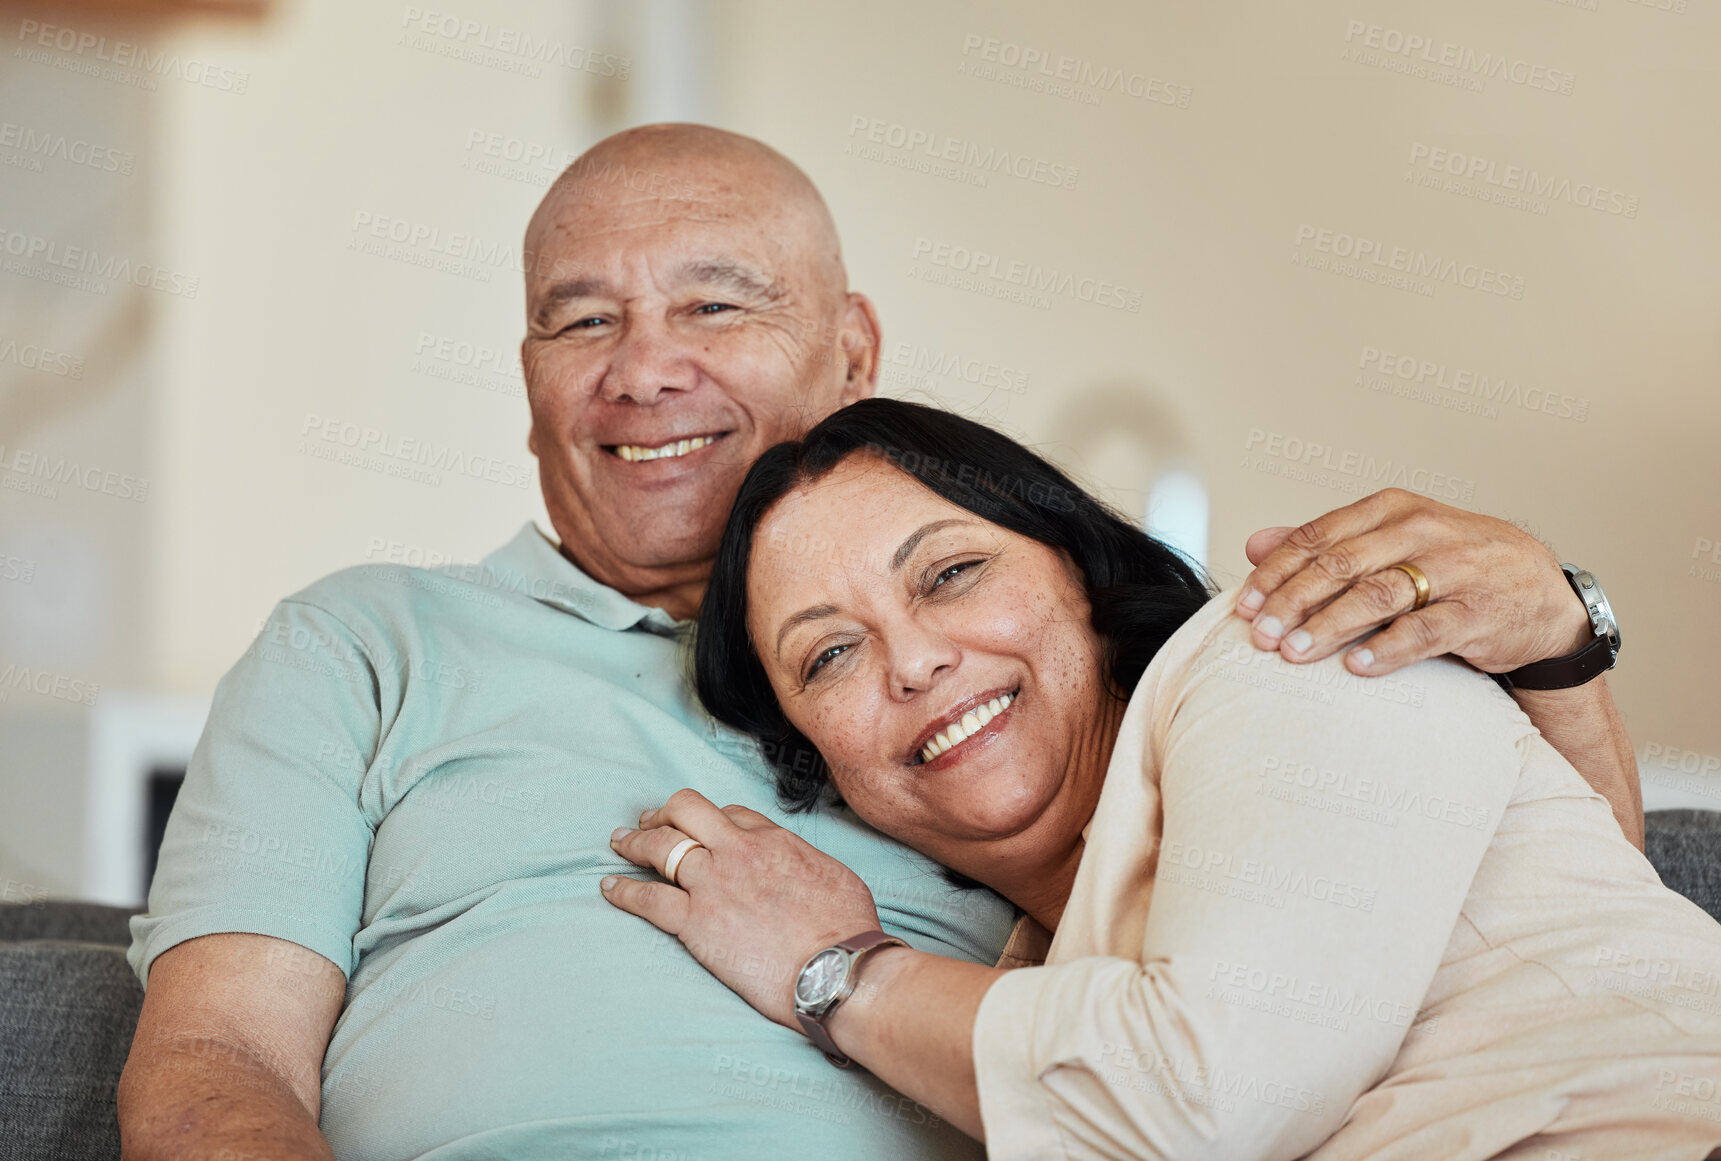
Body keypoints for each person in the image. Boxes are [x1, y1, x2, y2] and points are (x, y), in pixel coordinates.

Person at [118, 125, 1644, 1159]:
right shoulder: (361, 642)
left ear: (852, 351)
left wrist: (1563, 645)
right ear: (526, 382)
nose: (646, 370)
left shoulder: (1045, 684)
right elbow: (215, 1058)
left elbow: (1510, 931)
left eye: (718, 303)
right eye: (579, 323)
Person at [602, 396, 1721, 1160]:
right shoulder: (1042, 972)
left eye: (950, 573)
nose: (914, 661)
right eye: (828, 656)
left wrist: (833, 972)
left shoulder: (1278, 653)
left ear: (1082, 574)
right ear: (821, 766)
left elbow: (1202, 1102)